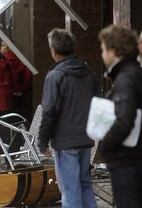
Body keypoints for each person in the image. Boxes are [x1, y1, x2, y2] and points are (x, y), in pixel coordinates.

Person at [37, 28, 98, 208]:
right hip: (86, 138)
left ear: (53, 51)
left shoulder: (55, 76)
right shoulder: (88, 73)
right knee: (85, 185)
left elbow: (49, 111)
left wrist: (42, 142)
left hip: (65, 141)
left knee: (70, 190)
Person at [98, 25, 142, 208]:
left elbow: (125, 119)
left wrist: (106, 146)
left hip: (127, 161)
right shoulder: (133, 73)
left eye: (103, 49)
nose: (101, 54)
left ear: (113, 51)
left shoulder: (126, 78)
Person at [1, 41, 33, 122]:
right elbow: (27, 75)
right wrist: (24, 88)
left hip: (10, 92)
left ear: (8, 47)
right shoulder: (20, 57)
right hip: (22, 92)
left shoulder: (3, 60)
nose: (0, 48)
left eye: (2, 46)